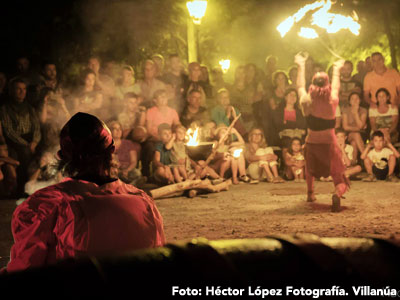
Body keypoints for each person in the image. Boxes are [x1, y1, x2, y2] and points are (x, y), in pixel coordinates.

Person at [3, 112, 165, 273]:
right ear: (112, 151)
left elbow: (22, 275)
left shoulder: (44, 206)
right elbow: (158, 264)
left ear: (62, 156)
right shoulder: (144, 203)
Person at [296, 52, 347, 212]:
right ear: (327, 84)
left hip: (312, 144)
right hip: (329, 145)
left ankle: (310, 193)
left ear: (312, 84)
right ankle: (337, 194)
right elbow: (337, 86)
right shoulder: (332, 99)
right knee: (340, 179)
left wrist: (300, 65)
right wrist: (337, 69)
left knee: (310, 168)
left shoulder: (306, 101)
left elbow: (298, 86)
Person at [0, 78, 41, 196]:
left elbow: (36, 127)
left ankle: (33, 187)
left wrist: (34, 141)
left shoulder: (29, 108)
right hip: (15, 142)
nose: (22, 92)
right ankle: (20, 190)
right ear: (12, 91)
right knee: (23, 155)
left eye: (24, 89)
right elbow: (8, 131)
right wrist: (25, 144)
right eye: (18, 89)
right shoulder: (5, 109)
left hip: (30, 140)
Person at [109, 120, 144, 186]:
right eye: (115, 129)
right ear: (110, 131)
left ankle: (126, 185)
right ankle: (131, 185)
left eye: (119, 129)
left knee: (137, 173)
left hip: (128, 170)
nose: (118, 131)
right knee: (111, 175)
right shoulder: (107, 144)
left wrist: (127, 170)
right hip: (114, 171)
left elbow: (134, 161)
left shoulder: (128, 143)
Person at [341, 92, 368, 160]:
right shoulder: (346, 110)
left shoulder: (363, 110)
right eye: (352, 99)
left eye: (357, 99)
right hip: (348, 135)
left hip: (362, 135)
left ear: (360, 100)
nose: (355, 101)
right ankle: (366, 158)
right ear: (349, 101)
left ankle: (354, 162)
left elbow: (361, 126)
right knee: (356, 134)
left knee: (354, 143)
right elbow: (345, 127)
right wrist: (358, 129)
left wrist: (356, 113)